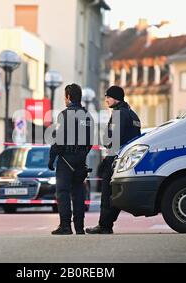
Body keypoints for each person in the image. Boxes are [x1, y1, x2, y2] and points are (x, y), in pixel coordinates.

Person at [86, 86, 141, 234]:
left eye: (108, 97)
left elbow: (109, 139)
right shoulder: (133, 114)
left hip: (114, 159)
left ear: (116, 98)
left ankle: (104, 226)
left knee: (107, 193)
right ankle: (107, 223)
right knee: (115, 195)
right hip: (127, 159)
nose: (106, 100)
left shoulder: (118, 114)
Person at [48, 84, 94, 235]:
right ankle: (79, 227)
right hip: (80, 159)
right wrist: (82, 155)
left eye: (64, 97)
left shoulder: (64, 115)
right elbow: (90, 141)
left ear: (68, 97)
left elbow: (59, 139)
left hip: (65, 159)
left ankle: (65, 226)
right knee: (79, 192)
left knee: (62, 192)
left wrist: (52, 157)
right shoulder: (87, 116)